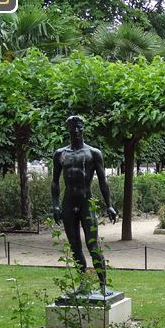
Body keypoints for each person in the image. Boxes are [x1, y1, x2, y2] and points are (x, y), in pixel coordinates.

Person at [52, 115, 117, 292]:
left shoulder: (93, 153)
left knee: (92, 244)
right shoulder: (60, 154)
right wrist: (55, 204)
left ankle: (103, 285)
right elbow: (55, 181)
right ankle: (83, 284)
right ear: (68, 129)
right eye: (72, 127)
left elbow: (103, 181)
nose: (76, 130)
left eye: (79, 126)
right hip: (68, 203)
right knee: (74, 246)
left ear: (83, 128)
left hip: (86, 202)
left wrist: (108, 204)